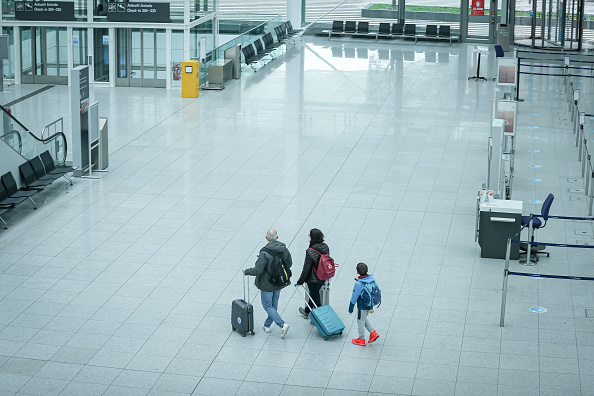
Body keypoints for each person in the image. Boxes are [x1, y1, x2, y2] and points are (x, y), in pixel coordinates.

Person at [243, 228, 292, 338]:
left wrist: (246, 272)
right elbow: (289, 263)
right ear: (277, 238)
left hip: (267, 283)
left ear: (266, 238)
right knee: (273, 304)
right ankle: (267, 325)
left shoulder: (264, 252)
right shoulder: (283, 249)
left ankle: (282, 324)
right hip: (279, 281)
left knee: (267, 305)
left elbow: (258, 270)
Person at [296, 228, 328, 319]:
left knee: (316, 299)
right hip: (323, 276)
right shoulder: (325, 246)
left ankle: (321, 319)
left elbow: (306, 269)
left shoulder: (310, 251)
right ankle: (307, 311)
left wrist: (300, 281)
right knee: (313, 294)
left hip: (313, 279)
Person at [348, 262, 379, 346]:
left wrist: (351, 308)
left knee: (360, 321)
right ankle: (373, 333)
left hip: (362, 305)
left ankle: (361, 339)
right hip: (370, 304)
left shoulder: (359, 283)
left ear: (357, 272)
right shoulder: (372, 279)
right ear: (367, 270)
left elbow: (354, 296)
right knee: (363, 319)